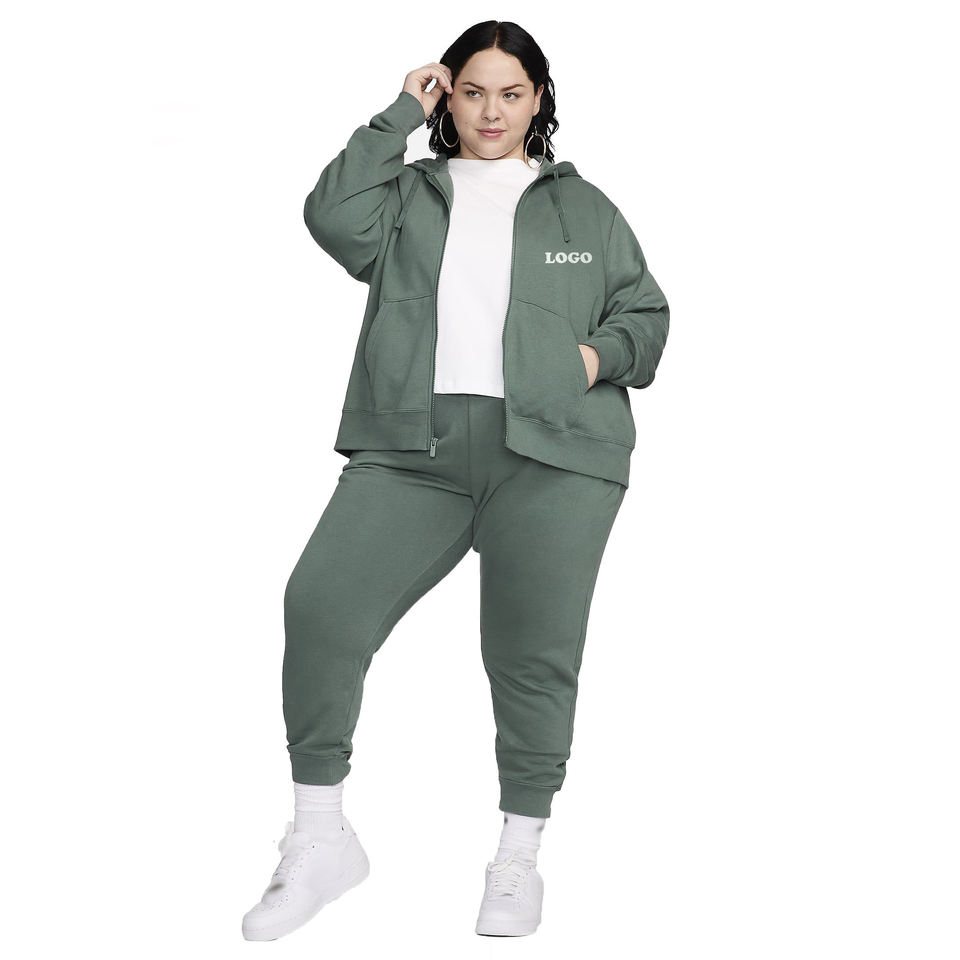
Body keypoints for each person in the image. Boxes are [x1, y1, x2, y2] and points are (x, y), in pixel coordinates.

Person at [242, 20, 670, 941]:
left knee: (531, 653)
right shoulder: (406, 195)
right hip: (413, 450)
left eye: (511, 93)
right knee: (321, 606)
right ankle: (320, 837)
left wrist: (589, 360)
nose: (490, 111)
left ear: (538, 100)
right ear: (450, 97)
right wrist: (400, 112)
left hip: (556, 456)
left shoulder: (584, 209)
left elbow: (646, 313)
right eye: (472, 91)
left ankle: (518, 855)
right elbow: (330, 215)